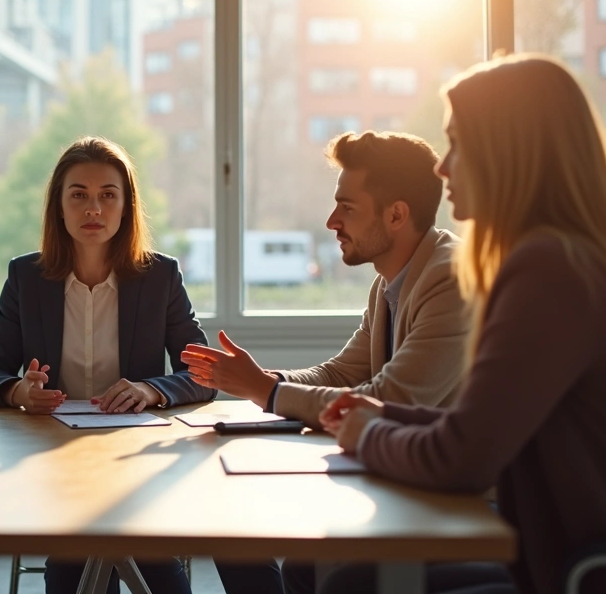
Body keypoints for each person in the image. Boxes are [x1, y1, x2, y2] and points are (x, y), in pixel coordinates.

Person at [321, 54, 606, 594]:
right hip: (602, 558)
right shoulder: (581, 256)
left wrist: (369, 433)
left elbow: (462, 460)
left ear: (508, 152)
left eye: (458, 143)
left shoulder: (549, 270)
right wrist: (388, 414)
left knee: (350, 586)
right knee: (347, 579)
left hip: (600, 573)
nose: (443, 168)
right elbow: (486, 423)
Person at [182, 131, 469, 594]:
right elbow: (340, 374)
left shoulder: (450, 277)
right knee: (291, 556)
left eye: (347, 207)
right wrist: (262, 379)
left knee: (316, 565)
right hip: (406, 482)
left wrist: (267, 390)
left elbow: (387, 399)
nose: (332, 221)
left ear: (397, 215)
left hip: (462, 504)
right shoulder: (389, 284)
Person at [0, 136, 215, 594]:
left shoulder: (160, 275)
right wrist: (19, 391)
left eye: (108, 195)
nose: (93, 209)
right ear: (58, 207)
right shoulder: (27, 276)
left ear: (126, 207)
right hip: (58, 461)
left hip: (135, 456)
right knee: (73, 573)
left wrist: (151, 390)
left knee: (157, 572)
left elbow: (202, 372)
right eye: (78, 194)